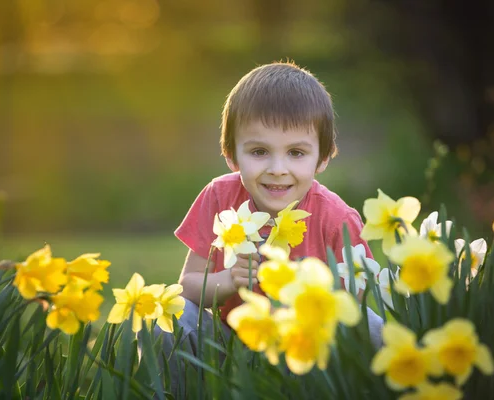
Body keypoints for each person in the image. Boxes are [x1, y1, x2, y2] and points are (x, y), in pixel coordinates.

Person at [141, 62, 383, 384]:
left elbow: (362, 295)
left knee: (371, 326)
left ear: (323, 158)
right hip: (230, 348)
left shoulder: (336, 218)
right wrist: (229, 281)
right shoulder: (219, 197)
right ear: (232, 155)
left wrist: (312, 297)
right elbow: (188, 287)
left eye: (296, 153)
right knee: (172, 314)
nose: (277, 168)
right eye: (259, 151)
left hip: (305, 350)